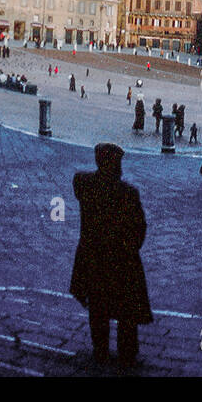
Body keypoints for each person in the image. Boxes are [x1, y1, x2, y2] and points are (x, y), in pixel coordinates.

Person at [70, 143, 153, 368]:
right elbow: (140, 227)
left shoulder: (85, 185)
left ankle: (101, 350)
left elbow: (77, 178)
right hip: (122, 259)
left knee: (98, 308)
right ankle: (127, 353)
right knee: (126, 311)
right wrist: (131, 248)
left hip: (94, 257)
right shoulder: (128, 192)